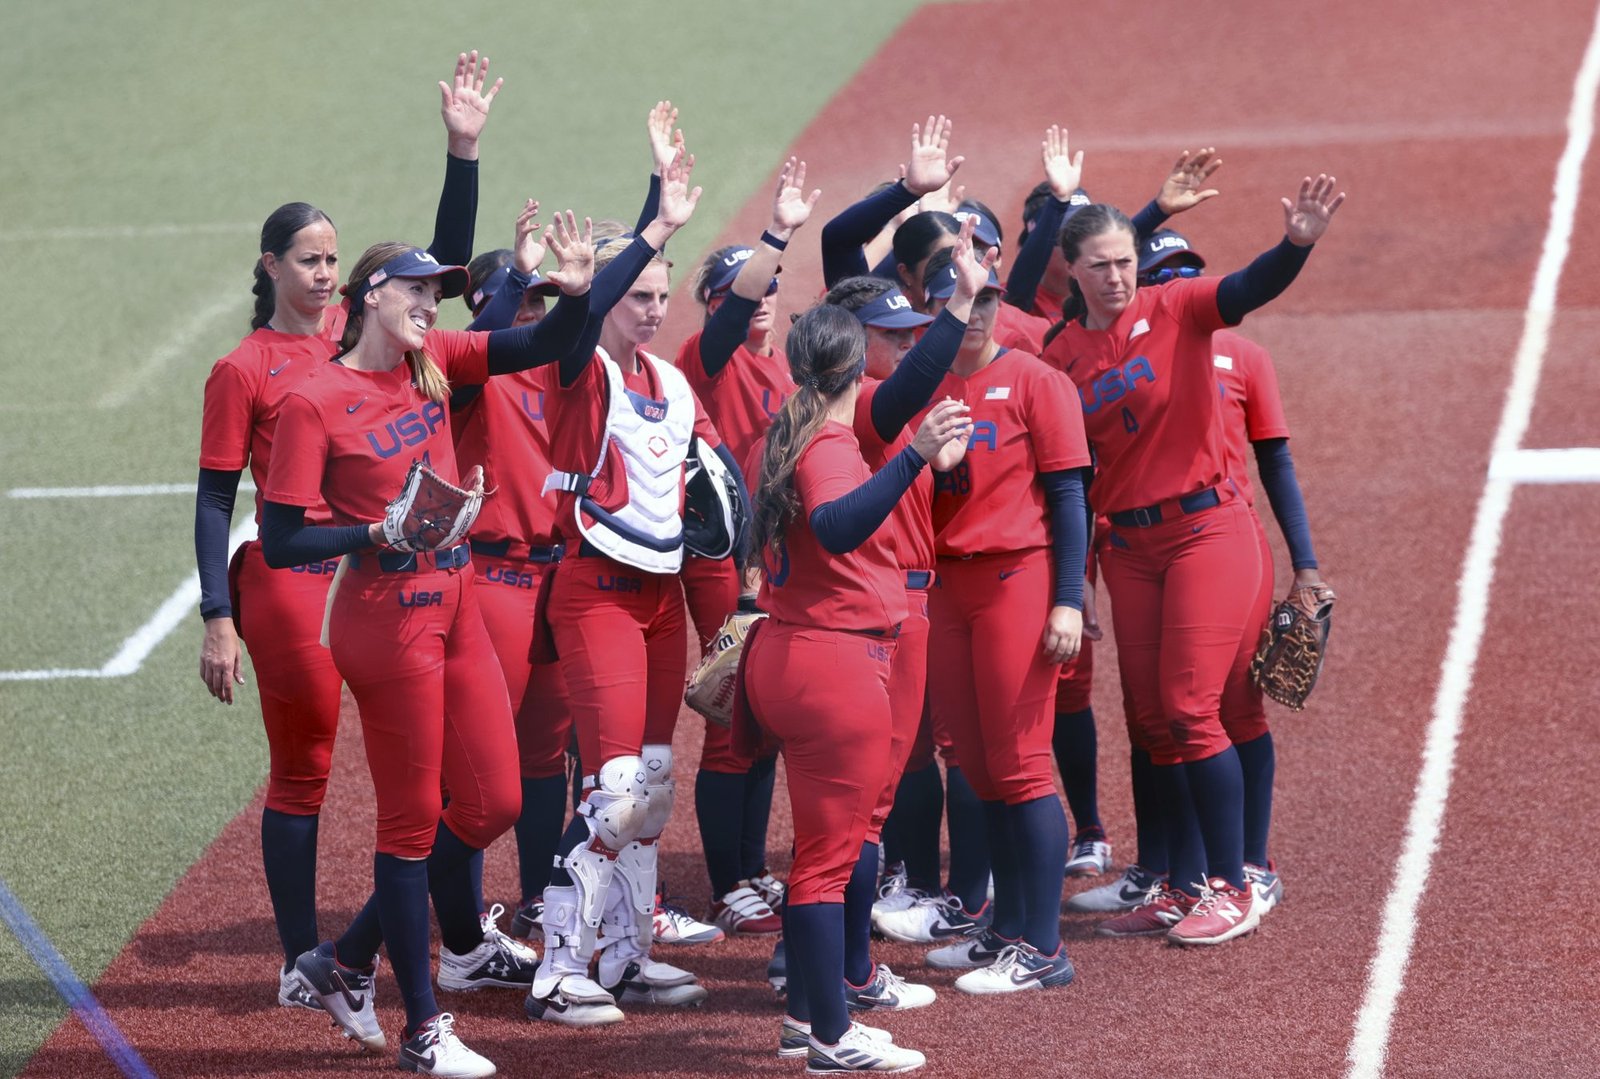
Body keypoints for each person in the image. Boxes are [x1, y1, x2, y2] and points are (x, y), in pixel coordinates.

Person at [262, 213, 595, 1078]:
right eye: (418, 289)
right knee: (410, 826)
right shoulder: (312, 400)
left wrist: (579, 282)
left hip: (457, 606)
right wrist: (379, 528)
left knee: (492, 803)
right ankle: (422, 1029)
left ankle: (343, 960)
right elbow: (281, 537)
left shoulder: (436, 361)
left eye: (438, 294)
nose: (432, 304)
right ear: (374, 295)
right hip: (386, 623)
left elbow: (545, 338)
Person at [193, 50, 491, 1014]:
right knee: (308, 761)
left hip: (379, 563)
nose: (326, 274)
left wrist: (461, 152)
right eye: (309, 260)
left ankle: (386, 945)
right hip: (291, 575)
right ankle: (299, 957)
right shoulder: (244, 369)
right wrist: (216, 615)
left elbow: (433, 275)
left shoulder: (356, 335)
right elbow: (212, 500)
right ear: (271, 268)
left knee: (432, 772)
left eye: (334, 260)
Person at [1040, 174, 1345, 947]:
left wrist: (1295, 244)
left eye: (1125, 260)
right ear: (1071, 269)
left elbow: (1247, 286)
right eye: (1101, 264)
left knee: (1189, 705)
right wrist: (1077, 578)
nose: (1118, 275)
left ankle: (1235, 882)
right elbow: (1070, 480)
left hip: (1209, 530)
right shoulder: (1061, 354)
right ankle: (1177, 883)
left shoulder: (1176, 307)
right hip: (1131, 547)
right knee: (1149, 721)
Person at [526, 146, 744, 1024]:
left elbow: (709, 502)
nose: (653, 310)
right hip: (596, 590)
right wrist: (652, 219)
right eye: (638, 294)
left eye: (662, 295)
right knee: (614, 787)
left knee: (652, 785)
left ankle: (625, 954)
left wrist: (724, 626)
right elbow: (575, 338)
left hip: (658, 597)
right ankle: (556, 965)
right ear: (609, 296)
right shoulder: (583, 370)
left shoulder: (676, 384)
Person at [741, 303, 973, 1074]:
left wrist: (960, 306)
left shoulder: (786, 431)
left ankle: (809, 1018)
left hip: (795, 652)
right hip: (834, 666)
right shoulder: (831, 442)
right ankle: (832, 1039)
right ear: (851, 372)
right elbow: (839, 524)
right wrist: (914, 457)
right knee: (824, 864)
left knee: (823, 854)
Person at [905, 250, 1090, 995]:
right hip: (949, 585)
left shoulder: (1036, 379)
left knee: (1018, 763)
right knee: (977, 766)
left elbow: (1071, 497)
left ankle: (1043, 946)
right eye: (957, 300)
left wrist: (1070, 599)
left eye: (984, 301)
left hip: (1018, 575)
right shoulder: (922, 383)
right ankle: (1007, 926)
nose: (973, 313)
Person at [677, 157, 819, 936]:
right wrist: (778, 233)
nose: (762, 300)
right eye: (745, 290)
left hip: (770, 560)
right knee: (732, 713)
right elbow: (730, 318)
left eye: (771, 288)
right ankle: (727, 881)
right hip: (721, 562)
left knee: (761, 720)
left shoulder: (777, 368)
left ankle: (753, 865)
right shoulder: (711, 359)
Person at [448, 196, 576, 950]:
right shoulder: (474, 375)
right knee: (473, 771)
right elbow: (472, 343)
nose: (535, 308)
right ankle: (461, 935)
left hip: (556, 581)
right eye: (525, 296)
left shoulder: (561, 371)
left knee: (541, 763)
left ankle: (533, 903)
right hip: (494, 582)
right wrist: (515, 277)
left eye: (540, 298)